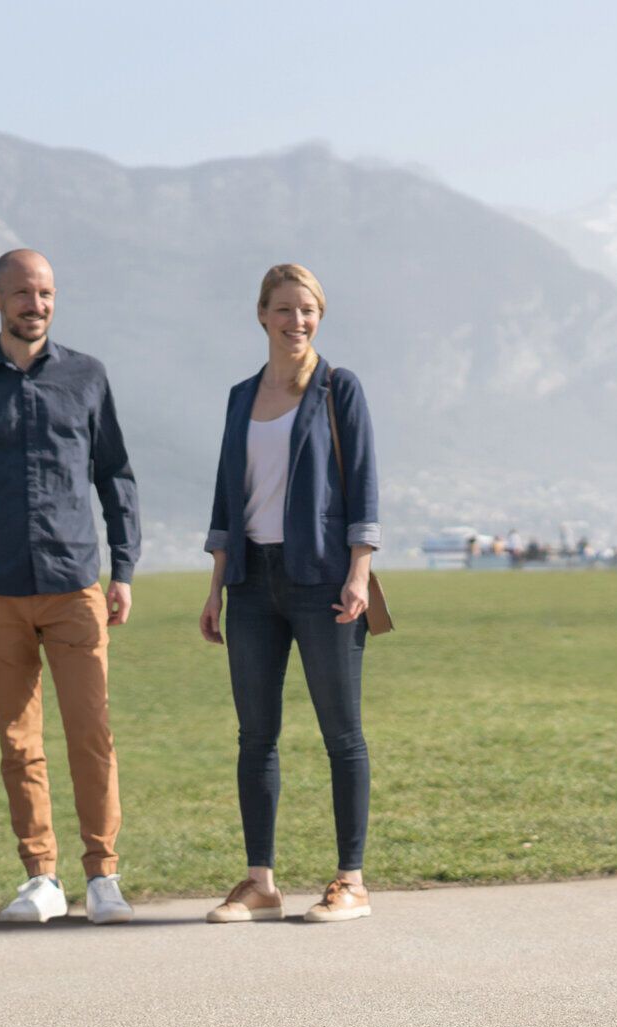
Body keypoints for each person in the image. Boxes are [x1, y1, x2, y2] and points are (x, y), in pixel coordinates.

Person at [0, 248, 141, 926]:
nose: (35, 305)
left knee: (92, 732)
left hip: (76, 582)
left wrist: (125, 569)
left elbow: (117, 477)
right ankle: (41, 877)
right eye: (22, 293)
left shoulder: (87, 377)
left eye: (45, 293)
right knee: (19, 742)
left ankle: (103, 876)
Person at [198, 263, 380, 924]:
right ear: (262, 315)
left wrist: (358, 573)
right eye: (283, 309)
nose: (296, 321)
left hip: (323, 582)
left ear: (318, 317)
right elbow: (227, 498)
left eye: (307, 310)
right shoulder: (240, 397)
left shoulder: (339, 390)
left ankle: (350, 881)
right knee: (256, 736)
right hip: (251, 584)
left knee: (342, 734)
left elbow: (362, 486)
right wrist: (216, 589)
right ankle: (259, 883)